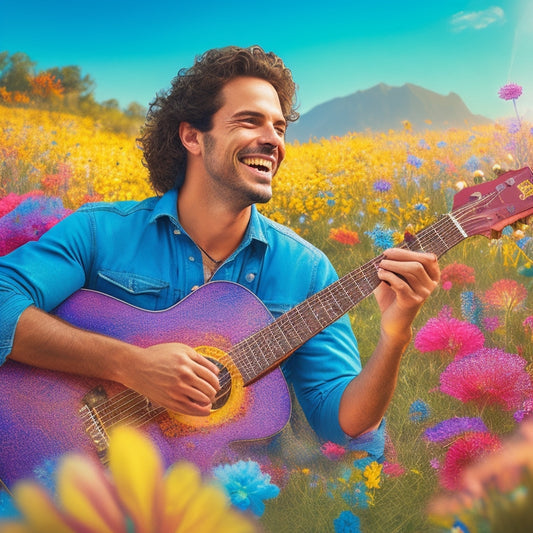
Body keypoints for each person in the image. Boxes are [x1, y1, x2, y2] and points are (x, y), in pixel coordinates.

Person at [0, 45, 440, 447]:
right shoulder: (100, 232)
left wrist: (394, 335)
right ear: (192, 137)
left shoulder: (306, 269)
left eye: (280, 127)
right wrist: (128, 365)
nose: (273, 139)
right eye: (250, 120)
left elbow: (341, 421)